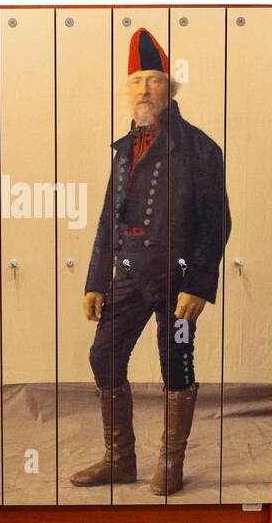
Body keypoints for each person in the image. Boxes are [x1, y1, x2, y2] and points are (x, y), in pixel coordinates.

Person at [73, 27, 230, 496]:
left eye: (154, 80)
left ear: (171, 87)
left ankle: (171, 462)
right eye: (137, 81)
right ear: (128, 89)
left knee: (176, 362)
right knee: (104, 356)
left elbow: (216, 221)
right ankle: (119, 459)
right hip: (128, 276)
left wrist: (200, 284)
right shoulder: (123, 149)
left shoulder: (201, 148)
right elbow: (107, 220)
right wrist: (96, 280)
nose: (144, 89)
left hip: (178, 280)